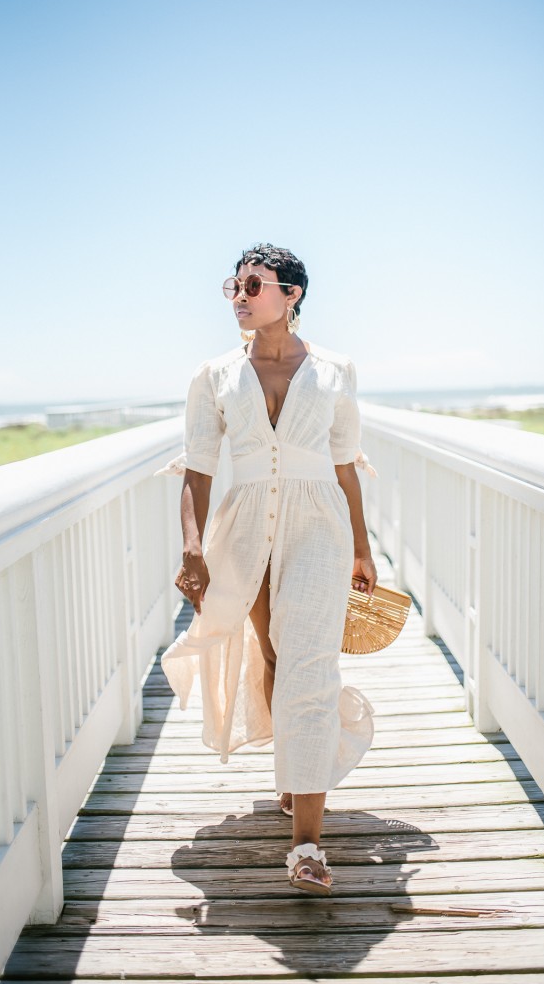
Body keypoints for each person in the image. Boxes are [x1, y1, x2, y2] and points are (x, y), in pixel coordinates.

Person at [156, 242, 377, 895]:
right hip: (247, 528)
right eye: (234, 286)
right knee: (277, 656)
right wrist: (192, 546)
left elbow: (345, 464)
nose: (240, 297)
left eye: (254, 285)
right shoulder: (215, 376)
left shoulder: (336, 370)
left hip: (319, 527)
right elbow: (198, 469)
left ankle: (307, 846)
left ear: (291, 293)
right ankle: (296, 769)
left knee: (309, 664)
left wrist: (362, 547)